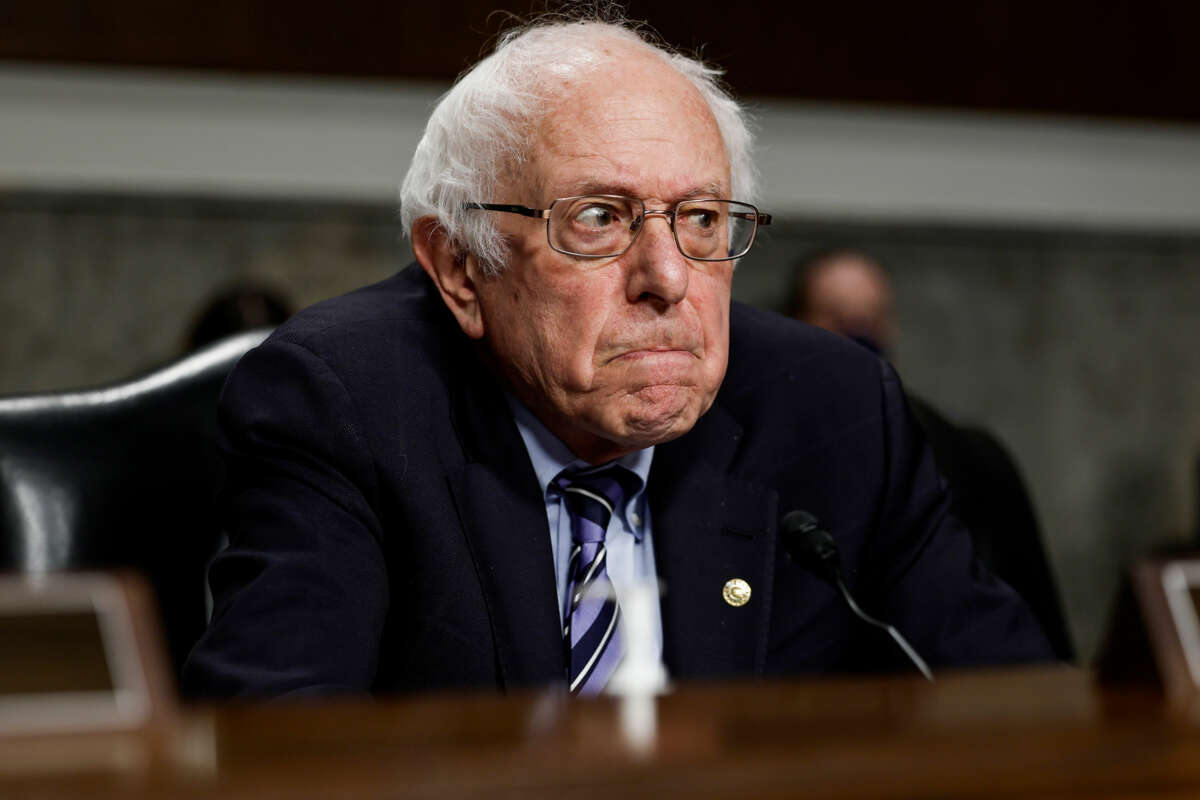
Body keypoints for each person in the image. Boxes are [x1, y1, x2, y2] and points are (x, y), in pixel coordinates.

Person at [183, 15, 1053, 698]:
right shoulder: (343, 402)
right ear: (458, 266)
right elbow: (276, 746)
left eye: (703, 220)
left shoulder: (833, 408)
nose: (669, 278)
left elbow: (1018, 715)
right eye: (599, 218)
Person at [792, 249, 1074, 659]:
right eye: (837, 317)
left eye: (872, 319)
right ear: (794, 324)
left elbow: (1032, 620)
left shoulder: (966, 455)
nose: (860, 334)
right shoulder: (768, 454)